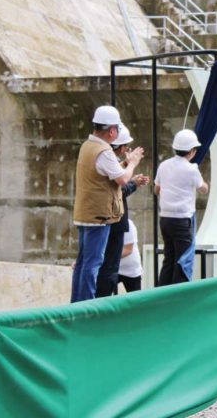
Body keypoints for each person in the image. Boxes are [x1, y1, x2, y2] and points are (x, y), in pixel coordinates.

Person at [71, 106, 144, 303]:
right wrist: (133, 163)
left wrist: (124, 164)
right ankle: (85, 306)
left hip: (86, 213)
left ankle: (76, 303)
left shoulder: (88, 146)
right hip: (99, 216)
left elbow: (104, 172)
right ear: (112, 131)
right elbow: (121, 180)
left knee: (83, 262)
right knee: (93, 264)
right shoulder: (103, 151)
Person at [95, 125, 149, 297]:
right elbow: (117, 190)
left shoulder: (101, 156)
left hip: (105, 220)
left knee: (106, 269)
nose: (127, 149)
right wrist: (132, 167)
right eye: (125, 146)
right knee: (108, 270)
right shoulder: (104, 156)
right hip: (113, 222)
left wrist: (129, 174)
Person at [154, 129, 209, 286]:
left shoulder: (164, 165)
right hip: (182, 220)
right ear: (192, 151)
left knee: (169, 259)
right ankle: (180, 300)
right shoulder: (192, 169)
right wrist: (205, 184)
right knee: (183, 261)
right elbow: (203, 189)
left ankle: (161, 295)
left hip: (165, 219)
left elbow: (156, 190)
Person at [118, 218, 143, 292]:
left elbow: (128, 249)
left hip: (131, 269)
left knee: (136, 301)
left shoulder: (128, 223)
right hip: (112, 268)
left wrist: (106, 259)